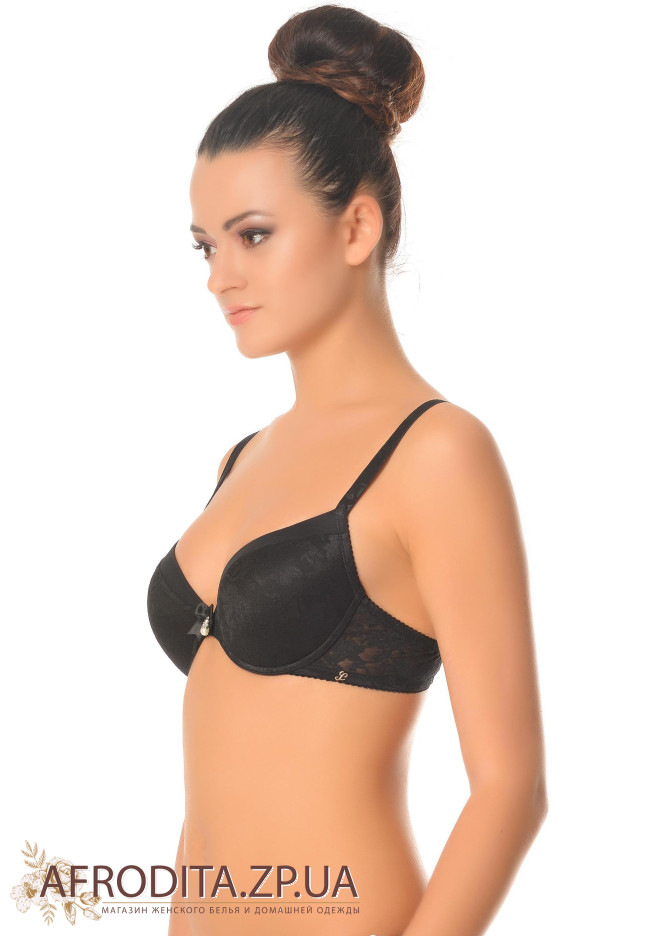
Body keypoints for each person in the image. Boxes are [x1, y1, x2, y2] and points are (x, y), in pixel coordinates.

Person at [147, 5, 547, 934]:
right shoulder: (242, 459)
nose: (218, 277)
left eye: (252, 235)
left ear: (357, 226)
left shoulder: (437, 453)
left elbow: (510, 787)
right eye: (206, 246)